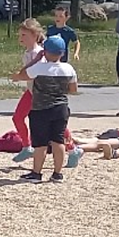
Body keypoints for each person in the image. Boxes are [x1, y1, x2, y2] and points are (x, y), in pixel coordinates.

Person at [16, 36, 79, 182]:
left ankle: (37, 173)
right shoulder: (68, 68)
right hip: (61, 108)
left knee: (40, 143)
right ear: (62, 53)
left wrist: (36, 60)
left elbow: (21, 75)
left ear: (45, 51)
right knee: (58, 141)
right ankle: (57, 173)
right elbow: (73, 89)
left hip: (40, 109)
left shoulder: (39, 67)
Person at [9, 19, 46, 146]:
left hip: (40, 93)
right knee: (18, 118)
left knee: (48, 121)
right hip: (31, 91)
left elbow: (37, 74)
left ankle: (71, 147)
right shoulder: (28, 52)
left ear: (35, 36)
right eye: (20, 35)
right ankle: (26, 145)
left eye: (24, 35)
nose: (21, 38)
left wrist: (20, 77)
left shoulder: (38, 53)